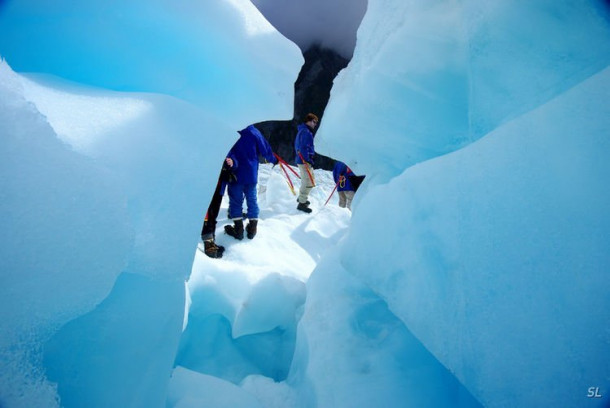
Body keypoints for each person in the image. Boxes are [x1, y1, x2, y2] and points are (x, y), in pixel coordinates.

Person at [224, 125, 277, 240]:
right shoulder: (254, 131)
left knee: (235, 201)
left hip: (235, 174)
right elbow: (265, 149)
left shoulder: (231, 131)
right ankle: (252, 228)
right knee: (252, 200)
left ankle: (238, 229)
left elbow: (224, 149)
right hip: (251, 173)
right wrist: (274, 160)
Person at [199, 157, 236, 258]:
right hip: (208, 184)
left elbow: (234, 158)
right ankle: (208, 245)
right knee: (209, 214)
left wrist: (232, 163)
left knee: (213, 214)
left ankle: (211, 242)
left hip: (219, 186)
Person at [294, 113, 318, 213]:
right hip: (304, 161)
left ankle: (302, 198)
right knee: (308, 182)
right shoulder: (306, 132)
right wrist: (308, 160)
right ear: (308, 121)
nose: (315, 124)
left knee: (310, 181)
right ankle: (302, 204)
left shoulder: (304, 131)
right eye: (314, 122)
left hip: (303, 160)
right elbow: (303, 147)